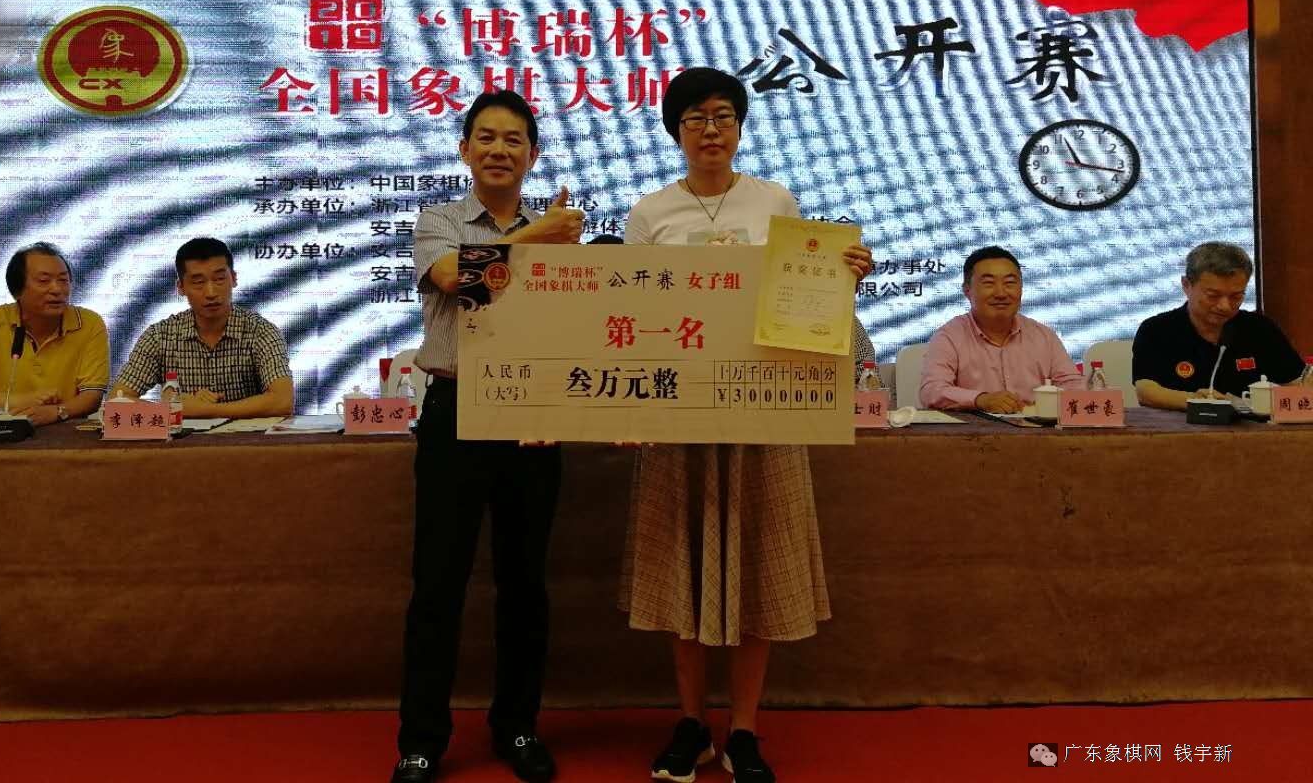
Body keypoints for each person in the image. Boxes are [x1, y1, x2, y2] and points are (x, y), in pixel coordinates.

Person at [620, 67, 874, 783]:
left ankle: (745, 731)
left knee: (760, 566)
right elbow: (629, 316)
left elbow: (802, 297)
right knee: (682, 571)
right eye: (696, 118)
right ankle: (690, 723)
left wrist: (843, 275)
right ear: (675, 131)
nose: (711, 129)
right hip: (678, 413)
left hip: (765, 410)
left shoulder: (775, 201)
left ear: (740, 127)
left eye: (724, 116)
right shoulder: (650, 214)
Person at [392, 90, 585, 783]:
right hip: (454, 409)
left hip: (533, 413)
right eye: (487, 137)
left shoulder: (561, 234)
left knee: (524, 585)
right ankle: (421, 742)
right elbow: (459, 279)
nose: (500, 149)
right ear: (464, 148)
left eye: (514, 140)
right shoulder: (438, 221)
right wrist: (539, 239)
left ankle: (518, 727)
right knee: (437, 585)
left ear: (533, 155)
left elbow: (575, 327)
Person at [110, 237, 293, 419]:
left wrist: (200, 410)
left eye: (219, 279)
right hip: (180, 438)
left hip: (247, 437)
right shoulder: (160, 336)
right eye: (198, 282)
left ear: (234, 279)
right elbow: (116, 402)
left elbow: (283, 401)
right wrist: (170, 407)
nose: (211, 293)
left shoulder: (260, 331)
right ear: (181, 287)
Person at [0, 242, 109, 425]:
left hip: (66, 431)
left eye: (63, 280)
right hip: (4, 430)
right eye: (44, 281)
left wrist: (56, 412)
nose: (57, 290)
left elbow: (92, 396)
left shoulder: (89, 324)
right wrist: (25, 401)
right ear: (17, 289)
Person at [1133, 241, 1302, 409]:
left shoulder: (1260, 328)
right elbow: (1146, 392)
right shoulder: (1156, 330)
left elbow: (1297, 384)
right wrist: (1196, 401)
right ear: (1186, 285)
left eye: (1236, 296)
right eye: (1213, 295)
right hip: (1181, 424)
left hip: (1252, 425)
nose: (1224, 306)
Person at [919, 246, 1081, 413]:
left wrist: (1044, 407)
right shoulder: (949, 336)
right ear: (967, 291)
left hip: (1036, 427)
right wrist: (981, 400)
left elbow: (1075, 386)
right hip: (976, 428)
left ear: (1021, 289)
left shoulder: (1044, 336)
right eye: (989, 283)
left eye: (1010, 283)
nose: (1001, 293)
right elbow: (932, 391)